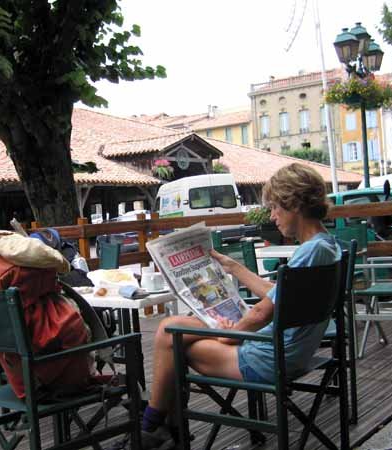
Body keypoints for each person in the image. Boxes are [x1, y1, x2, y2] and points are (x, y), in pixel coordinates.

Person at [140, 163, 342, 450]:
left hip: (270, 358)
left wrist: (229, 333)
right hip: (288, 351)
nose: (272, 216)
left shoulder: (310, 252)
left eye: (274, 207)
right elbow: (279, 296)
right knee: (173, 333)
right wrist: (233, 267)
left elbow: (262, 312)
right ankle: (163, 427)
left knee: (170, 336)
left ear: (293, 204)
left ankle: (153, 429)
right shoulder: (326, 247)